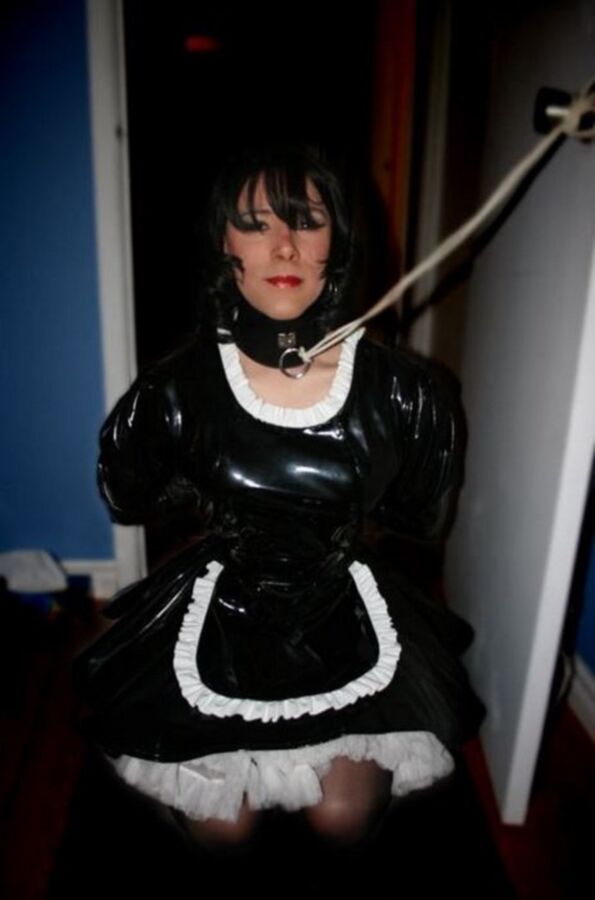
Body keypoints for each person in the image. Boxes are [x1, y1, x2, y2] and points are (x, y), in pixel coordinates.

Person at [76, 145, 485, 847]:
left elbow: (418, 515)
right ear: (224, 244)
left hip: (346, 617)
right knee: (220, 827)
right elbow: (128, 495)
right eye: (256, 223)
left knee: (342, 816)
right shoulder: (180, 386)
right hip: (218, 618)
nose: (285, 246)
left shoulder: (400, 389)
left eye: (307, 221)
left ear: (337, 241)